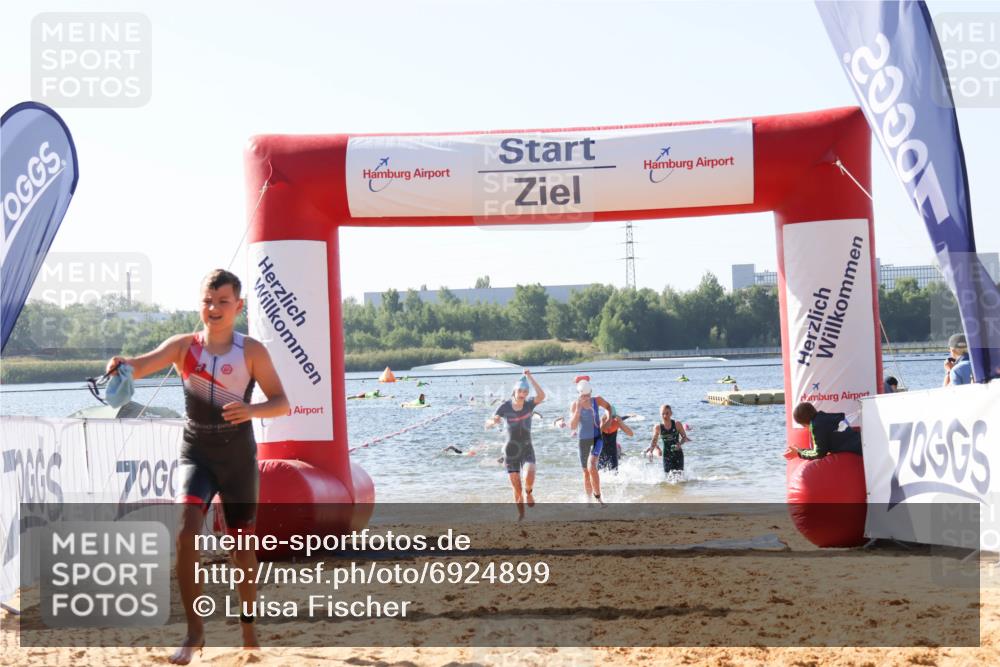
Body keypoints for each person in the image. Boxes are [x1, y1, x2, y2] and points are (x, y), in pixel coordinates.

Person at [106, 269, 289, 665]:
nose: (214, 308)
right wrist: (121, 364)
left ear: (238, 306)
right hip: (197, 453)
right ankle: (195, 633)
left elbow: (281, 402)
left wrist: (252, 409)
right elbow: (138, 366)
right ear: (200, 303)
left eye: (223, 301)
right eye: (208, 301)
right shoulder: (184, 347)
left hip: (238, 458)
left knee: (242, 549)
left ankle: (248, 629)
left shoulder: (251, 351)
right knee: (186, 532)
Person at [486, 370, 546, 515]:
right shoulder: (505, 406)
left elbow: (542, 395)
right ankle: (521, 516)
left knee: (529, 475)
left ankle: (529, 492)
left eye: (525, 391)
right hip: (510, 450)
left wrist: (530, 377)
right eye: (520, 390)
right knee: (517, 488)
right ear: (514, 390)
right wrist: (493, 422)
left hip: (527, 447)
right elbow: (492, 419)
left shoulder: (529, 404)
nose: (522, 394)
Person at [569, 379, 612, 503]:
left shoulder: (597, 400)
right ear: (579, 394)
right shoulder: (575, 404)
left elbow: (609, 407)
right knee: (586, 472)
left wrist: (608, 420)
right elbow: (572, 426)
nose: (586, 398)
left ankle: (599, 498)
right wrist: (577, 410)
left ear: (591, 392)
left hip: (597, 438)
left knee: (592, 465)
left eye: (588, 395)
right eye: (583, 396)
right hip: (583, 441)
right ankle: (589, 501)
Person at [786, 401, 862, 459]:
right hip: (861, 443)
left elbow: (818, 453)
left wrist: (799, 453)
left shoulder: (816, 425)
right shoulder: (823, 418)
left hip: (859, 449)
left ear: (803, 423)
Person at [645, 404, 690, 476]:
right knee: (668, 478)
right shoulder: (658, 427)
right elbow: (654, 441)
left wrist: (679, 444)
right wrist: (651, 452)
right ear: (660, 414)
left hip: (678, 454)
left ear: (671, 413)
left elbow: (684, 437)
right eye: (663, 414)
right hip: (666, 456)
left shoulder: (677, 424)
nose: (665, 416)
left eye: (667, 413)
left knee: (680, 478)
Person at [598, 404, 634, 471]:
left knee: (614, 473)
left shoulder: (617, 422)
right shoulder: (600, 423)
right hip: (601, 451)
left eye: (613, 417)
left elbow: (631, 434)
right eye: (609, 417)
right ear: (605, 416)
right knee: (599, 473)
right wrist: (602, 423)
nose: (611, 420)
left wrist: (621, 423)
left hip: (613, 451)